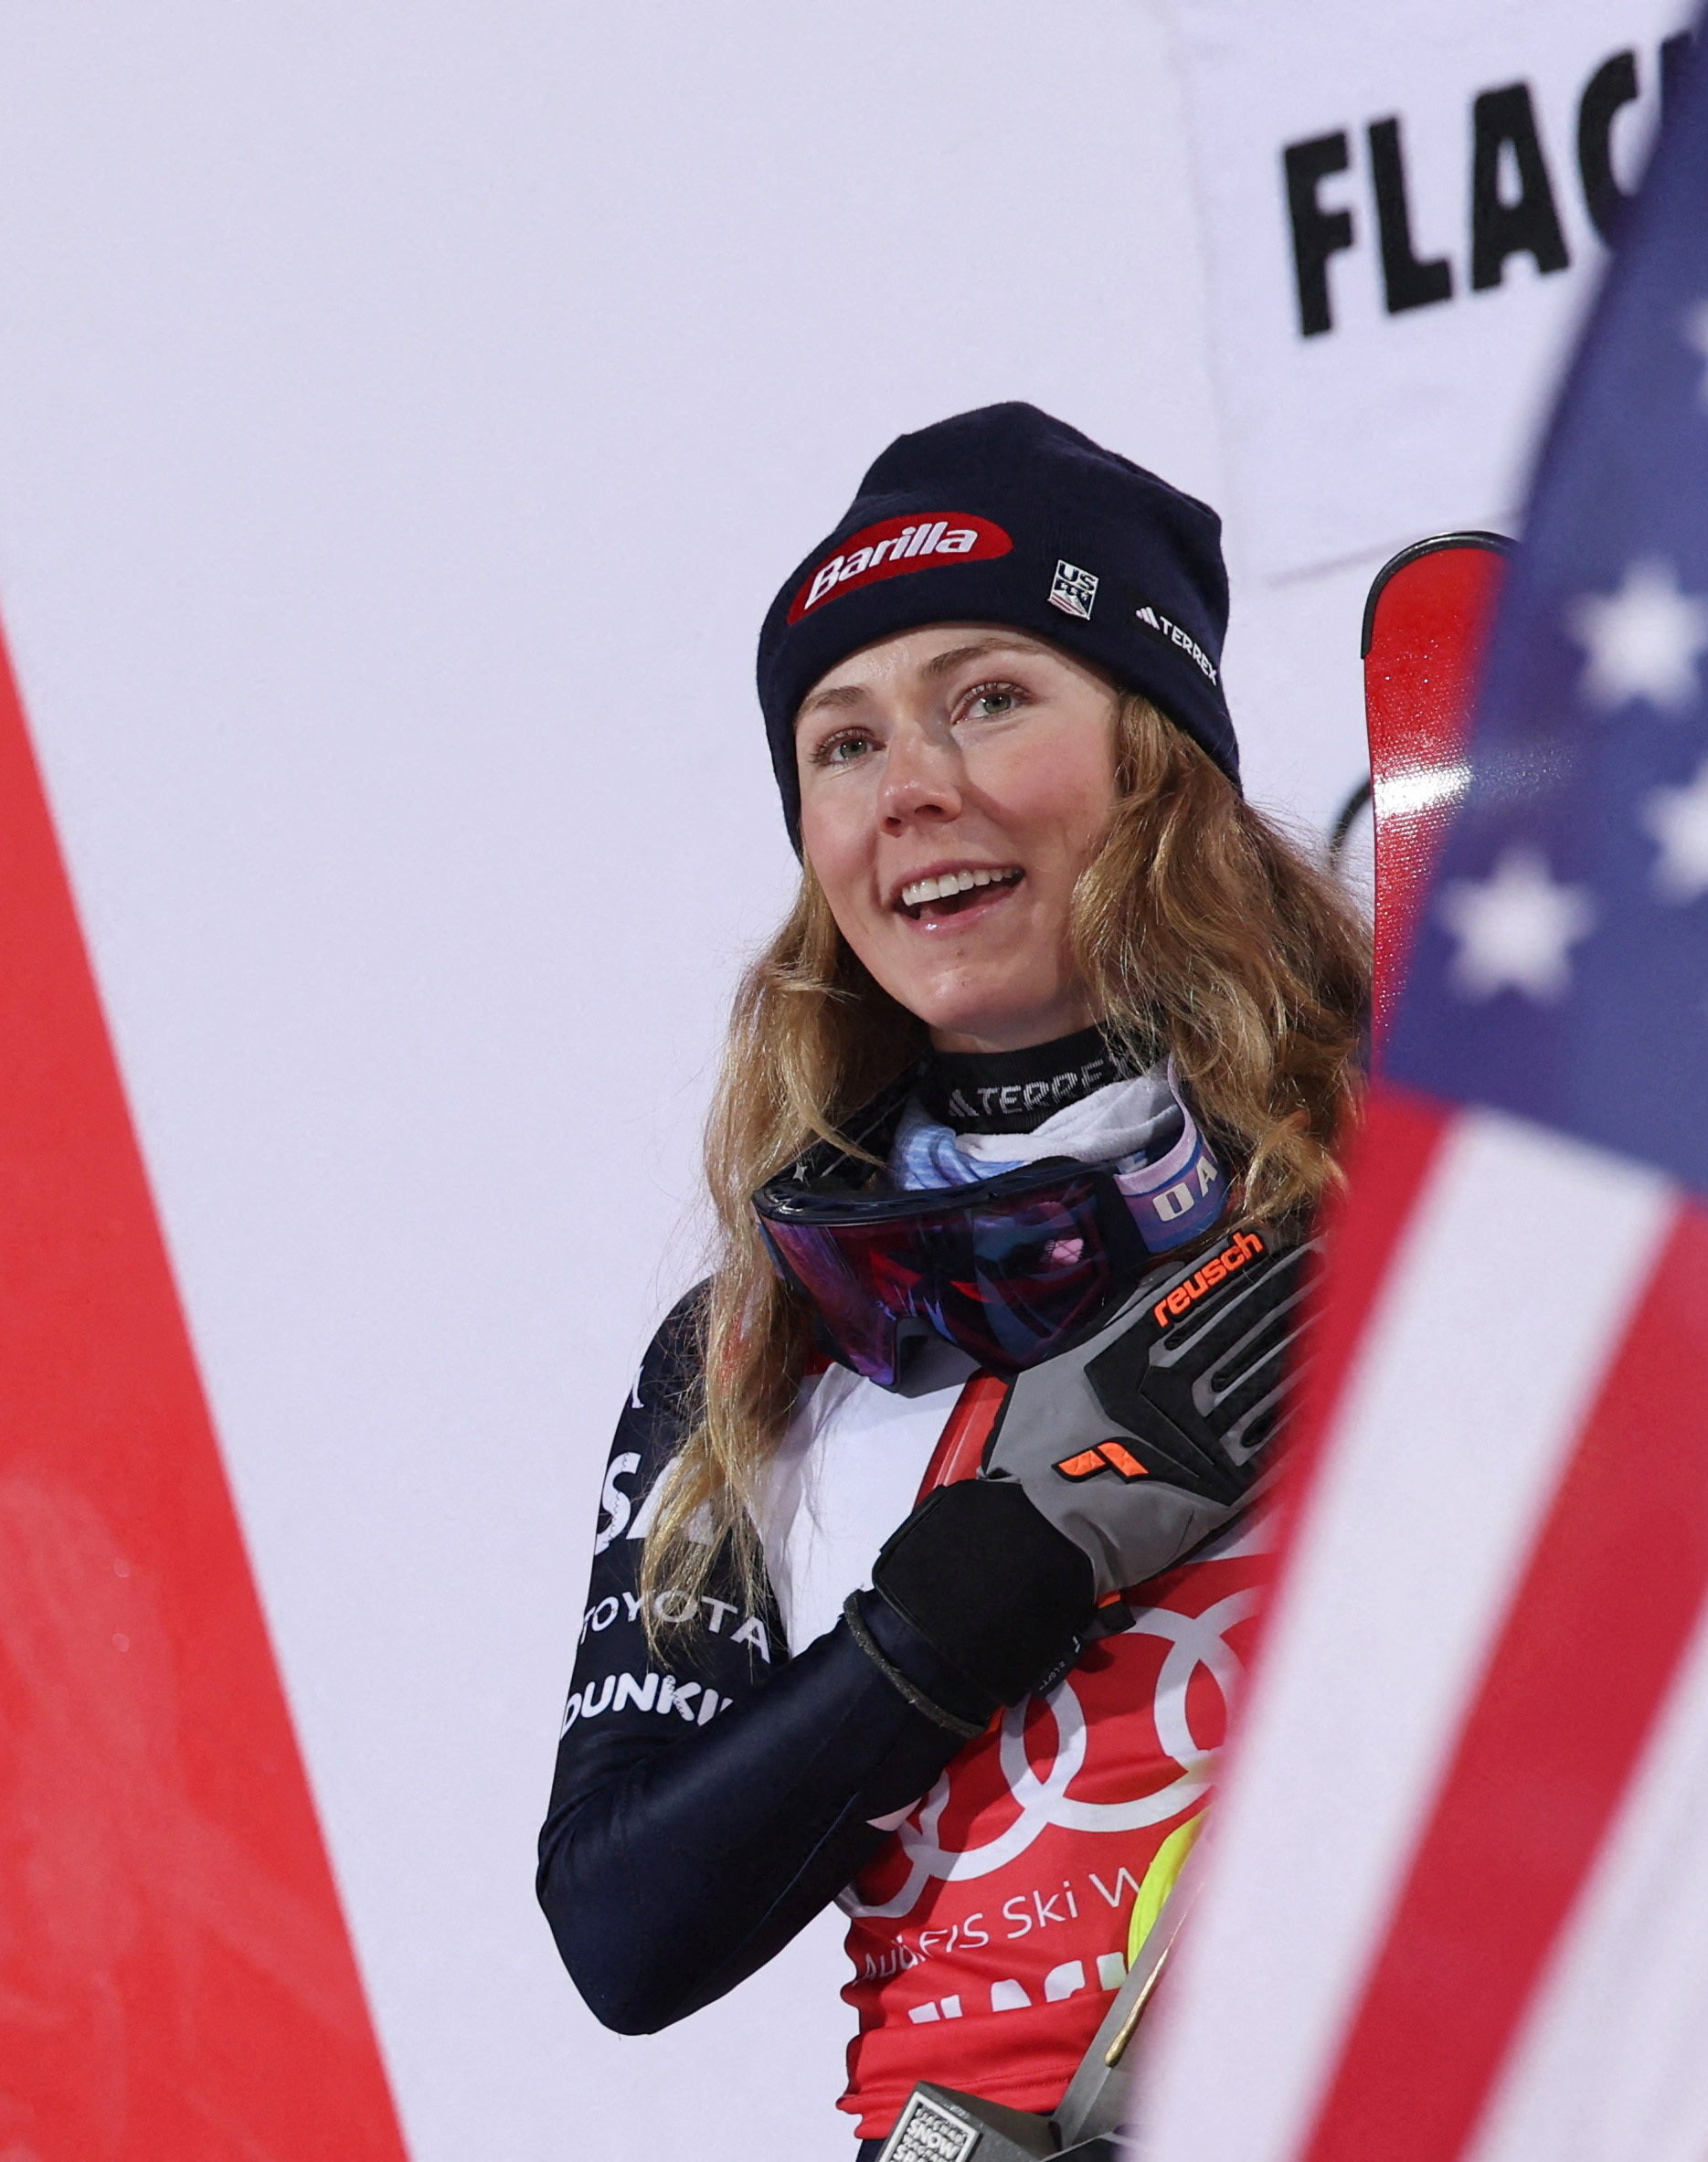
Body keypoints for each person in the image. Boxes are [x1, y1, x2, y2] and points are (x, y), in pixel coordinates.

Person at [536, 404, 1368, 2154]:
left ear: (1153, 755)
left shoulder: (1386, 1186)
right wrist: (953, 1616)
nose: (909, 782)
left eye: (989, 697)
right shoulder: (762, 1347)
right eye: (841, 741)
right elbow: (623, 1923)